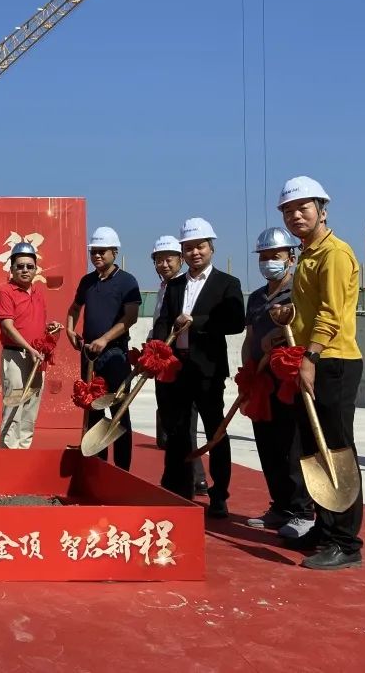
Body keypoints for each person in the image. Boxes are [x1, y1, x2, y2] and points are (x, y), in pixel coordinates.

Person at [275, 175, 364, 570]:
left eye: (303, 208)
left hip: (332, 361)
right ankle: (325, 528)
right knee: (313, 448)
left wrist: (310, 357)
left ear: (322, 210)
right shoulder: (307, 255)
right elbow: (311, 309)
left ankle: (346, 543)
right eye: (288, 211)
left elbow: (331, 313)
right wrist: (287, 317)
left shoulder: (335, 254)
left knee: (336, 450)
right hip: (311, 358)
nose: (295, 215)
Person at [153, 217, 244, 518]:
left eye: (200, 246)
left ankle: (219, 495)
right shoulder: (174, 285)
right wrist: (157, 348)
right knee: (178, 433)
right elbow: (164, 320)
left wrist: (196, 322)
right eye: (189, 247)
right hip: (177, 370)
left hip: (208, 370)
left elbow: (235, 321)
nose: (195, 252)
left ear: (211, 248)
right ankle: (179, 490)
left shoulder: (227, 284)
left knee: (215, 432)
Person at [241, 227, 314, 539]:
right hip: (261, 380)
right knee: (267, 443)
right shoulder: (257, 298)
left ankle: (302, 510)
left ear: (291, 258)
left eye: (276, 256)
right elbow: (250, 338)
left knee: (291, 444)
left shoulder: (299, 291)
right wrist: (247, 372)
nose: (269, 261)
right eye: (264, 257)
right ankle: (280, 505)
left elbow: (306, 327)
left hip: (288, 379)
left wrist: (278, 335)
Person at [65, 227, 141, 468]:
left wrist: (105, 339)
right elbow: (74, 308)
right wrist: (69, 330)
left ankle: (122, 469)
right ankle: (97, 464)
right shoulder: (87, 281)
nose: (97, 256)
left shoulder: (127, 281)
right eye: (93, 252)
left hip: (115, 355)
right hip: (90, 356)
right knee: (93, 409)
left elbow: (130, 317)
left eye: (102, 251)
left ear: (114, 252)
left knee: (119, 411)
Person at [150, 235, 206, 490]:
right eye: (159, 260)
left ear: (180, 260)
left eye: (168, 259)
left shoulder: (185, 287)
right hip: (162, 362)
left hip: (183, 363)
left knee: (185, 424)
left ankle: (195, 477)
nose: (163, 264)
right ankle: (183, 475)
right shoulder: (164, 288)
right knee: (171, 423)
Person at [0, 242, 61, 449]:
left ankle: (24, 451)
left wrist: (49, 328)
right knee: (13, 407)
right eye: (20, 266)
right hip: (16, 356)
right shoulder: (6, 292)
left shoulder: (38, 293)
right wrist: (29, 348)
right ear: (12, 269)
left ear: (35, 269)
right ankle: (8, 455)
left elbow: (36, 324)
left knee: (30, 409)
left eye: (29, 266)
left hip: (37, 358)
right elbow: (7, 326)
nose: (25, 270)